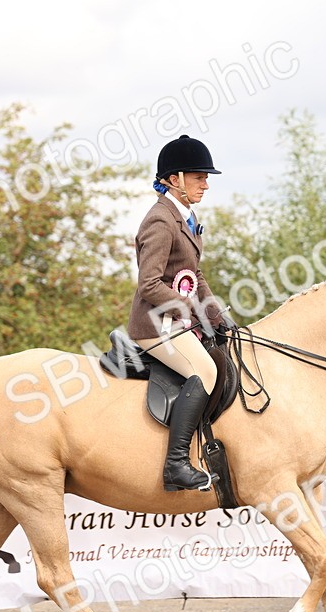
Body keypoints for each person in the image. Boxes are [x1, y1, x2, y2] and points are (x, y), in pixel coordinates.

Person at [127, 134, 228, 492]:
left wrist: (217, 315)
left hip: (179, 323)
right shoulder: (160, 221)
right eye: (199, 176)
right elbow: (150, 285)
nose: (206, 183)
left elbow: (194, 275)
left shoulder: (185, 217)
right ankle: (176, 465)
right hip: (155, 326)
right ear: (175, 179)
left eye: (206, 177)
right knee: (204, 371)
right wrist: (194, 309)